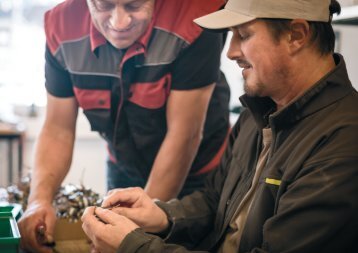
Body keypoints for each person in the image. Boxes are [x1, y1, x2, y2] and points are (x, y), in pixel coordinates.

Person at [81, 0, 358, 252]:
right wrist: (164, 216)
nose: (230, 52)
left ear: (296, 35)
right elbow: (216, 200)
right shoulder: (258, 112)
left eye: (244, 35)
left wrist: (135, 246)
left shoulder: (344, 144)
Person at [18, 0, 231, 252]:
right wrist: (38, 200)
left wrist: (134, 237)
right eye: (104, 5)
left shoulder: (194, 18)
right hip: (125, 163)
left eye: (133, 5)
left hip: (199, 176)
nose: (119, 22)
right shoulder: (61, 25)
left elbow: (184, 134)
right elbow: (57, 129)